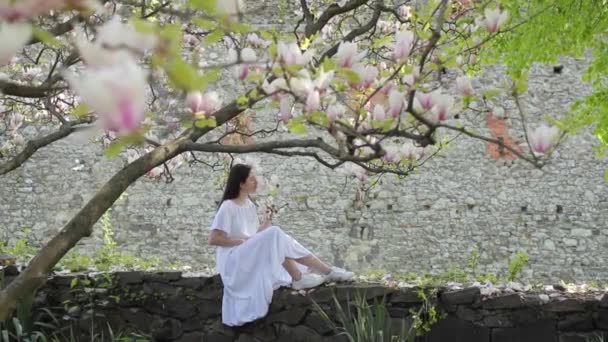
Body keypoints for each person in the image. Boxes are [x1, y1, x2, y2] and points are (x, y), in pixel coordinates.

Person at [208, 163, 354, 326]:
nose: (256, 182)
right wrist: (240, 242)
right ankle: (316, 273)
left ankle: (318, 272)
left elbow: (254, 237)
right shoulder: (228, 206)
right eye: (251, 179)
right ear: (241, 183)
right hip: (232, 261)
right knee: (275, 233)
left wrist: (264, 225)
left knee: (275, 235)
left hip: (245, 255)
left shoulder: (249, 205)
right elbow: (213, 239)